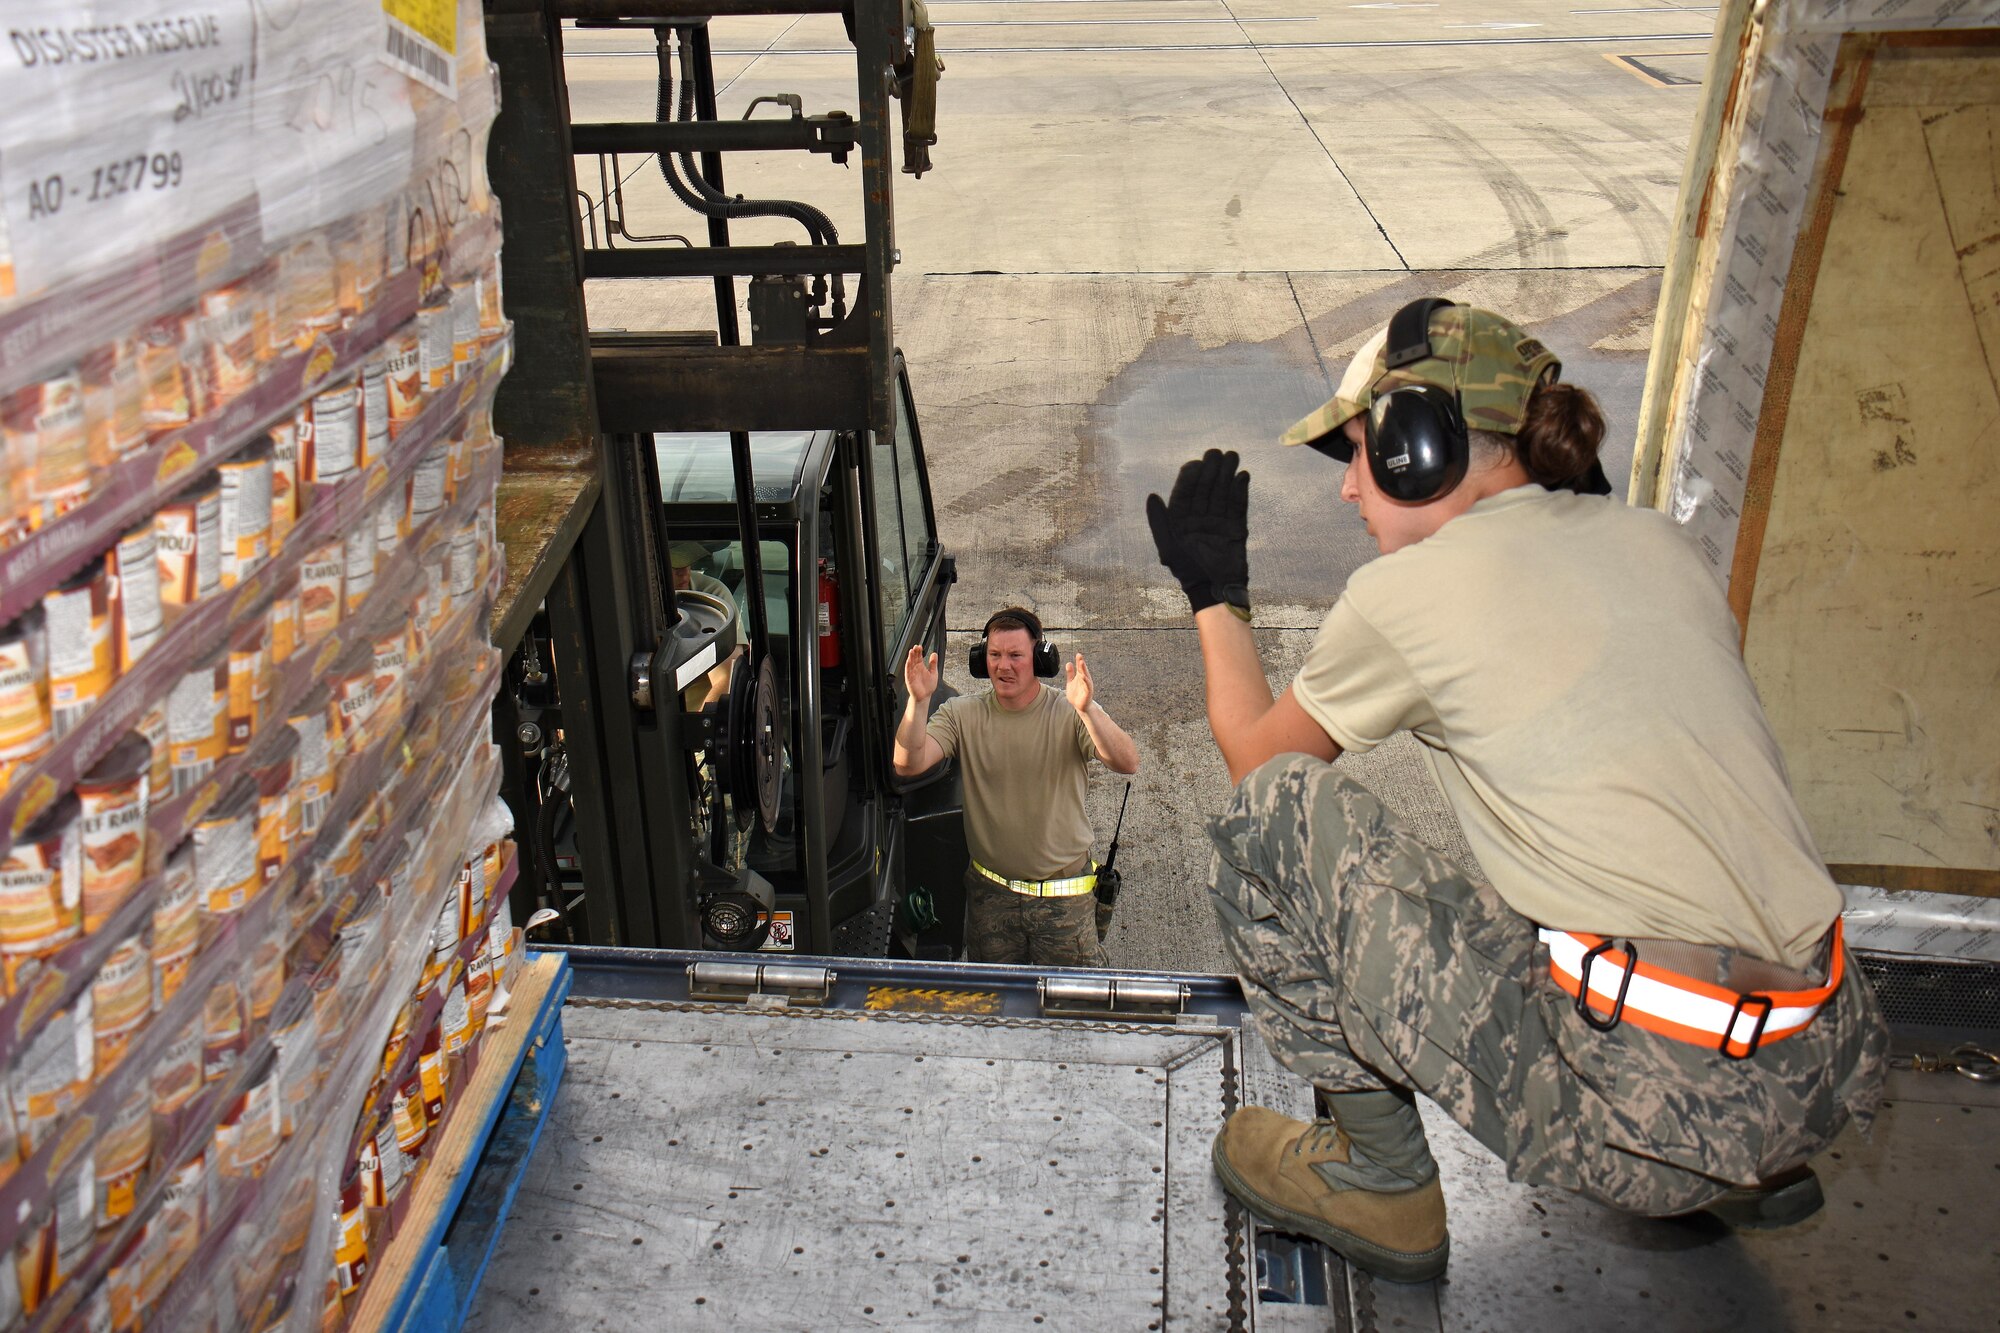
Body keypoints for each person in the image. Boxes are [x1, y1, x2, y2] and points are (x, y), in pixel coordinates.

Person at [1144, 298, 1888, 1283]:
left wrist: (1213, 595)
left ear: (1421, 448)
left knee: (1274, 823)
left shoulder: (1408, 595)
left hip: (1645, 1098)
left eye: (1362, 453)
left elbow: (1257, 763)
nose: (1348, 490)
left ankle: (1378, 1180)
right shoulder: (1658, 546)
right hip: (1821, 1058)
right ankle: (1748, 1162)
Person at [894, 607, 1140, 966]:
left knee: (1072, 1007)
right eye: (994, 655)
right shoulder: (961, 714)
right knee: (997, 1009)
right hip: (990, 901)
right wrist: (918, 701)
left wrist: (1088, 709)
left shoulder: (1068, 711)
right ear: (982, 659)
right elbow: (907, 763)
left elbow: (1126, 761)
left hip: (1063, 904)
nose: (1003, 666)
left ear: (1039, 659)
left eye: (1015, 656)